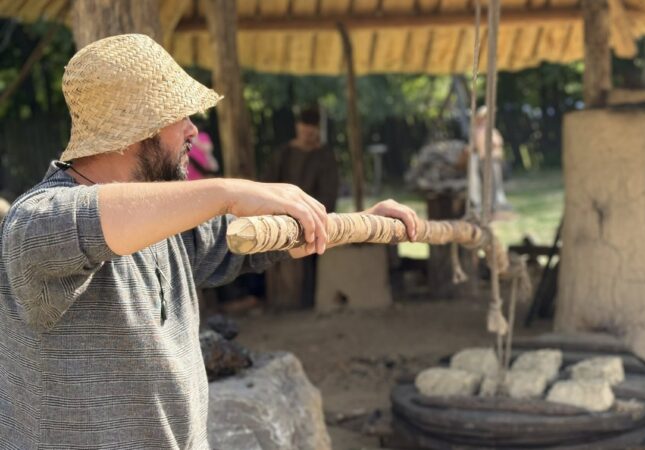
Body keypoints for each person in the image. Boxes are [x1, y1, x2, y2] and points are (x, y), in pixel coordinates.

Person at [0, 34, 419, 449]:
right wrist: (226, 191)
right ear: (134, 127)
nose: (192, 130)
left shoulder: (166, 221)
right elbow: (76, 221)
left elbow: (259, 238)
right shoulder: (33, 224)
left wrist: (361, 222)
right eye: (178, 116)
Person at [262, 105, 339, 308]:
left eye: (311, 132)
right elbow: (268, 184)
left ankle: (307, 301)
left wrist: (316, 214)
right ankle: (282, 301)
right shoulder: (284, 153)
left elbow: (329, 189)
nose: (307, 135)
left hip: (316, 217)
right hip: (282, 217)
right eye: (304, 130)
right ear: (298, 128)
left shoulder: (325, 155)